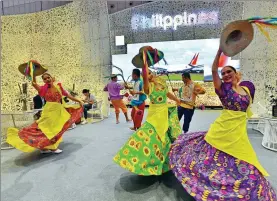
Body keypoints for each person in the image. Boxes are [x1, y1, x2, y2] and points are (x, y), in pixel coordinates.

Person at [169, 48, 276, 201]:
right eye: (223, 73)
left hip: (238, 133)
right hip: (222, 129)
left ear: (235, 73)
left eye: (228, 72)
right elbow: (214, 70)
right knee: (212, 159)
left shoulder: (247, 88)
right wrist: (219, 52)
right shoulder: (222, 89)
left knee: (248, 162)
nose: (225, 75)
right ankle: (212, 187)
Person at [113, 61, 182, 176]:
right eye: (145, 74)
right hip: (154, 113)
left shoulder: (162, 82)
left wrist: (177, 100)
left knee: (164, 137)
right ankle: (140, 162)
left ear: (153, 73)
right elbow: (145, 77)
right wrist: (144, 60)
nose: (147, 75)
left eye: (149, 73)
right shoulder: (147, 86)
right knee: (145, 135)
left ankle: (164, 162)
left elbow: (167, 93)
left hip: (164, 112)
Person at [7, 73, 83, 154]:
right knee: (47, 129)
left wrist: (79, 101)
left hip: (58, 111)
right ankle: (51, 148)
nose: (47, 79)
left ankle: (45, 147)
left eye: (48, 77)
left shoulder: (58, 87)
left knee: (55, 129)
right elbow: (34, 83)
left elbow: (68, 96)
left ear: (51, 77)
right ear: (43, 81)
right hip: (48, 111)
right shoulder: (43, 89)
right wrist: (33, 73)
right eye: (45, 79)